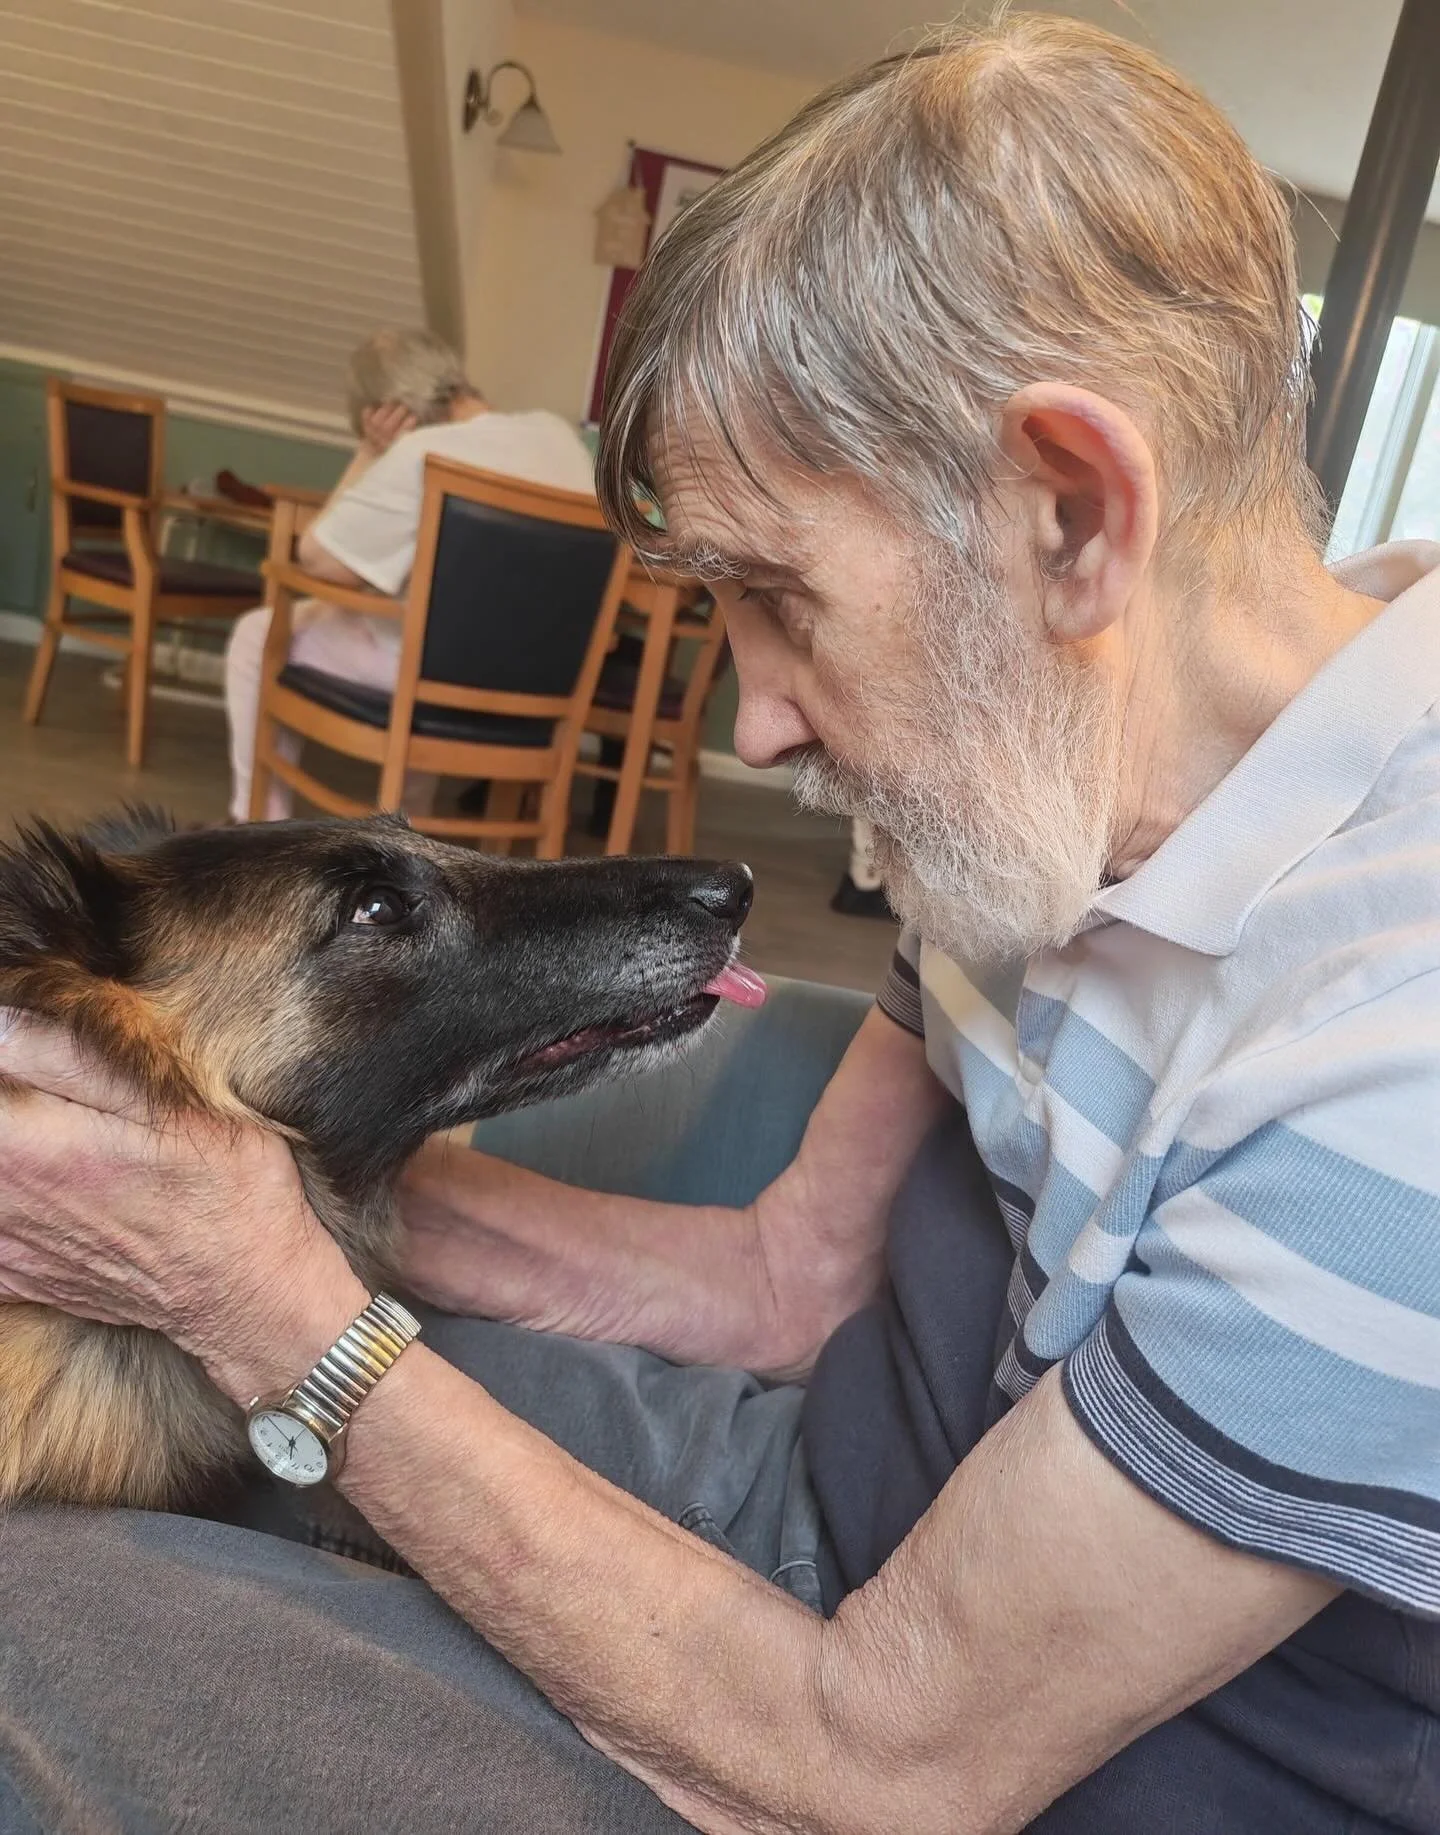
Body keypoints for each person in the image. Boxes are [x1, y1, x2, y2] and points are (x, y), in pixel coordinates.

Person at [1, 17, 1437, 1833]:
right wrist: (225, 1203)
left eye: (777, 595)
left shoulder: (1401, 1072)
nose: (749, 724)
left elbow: (892, 1762)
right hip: (822, 1479)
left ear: (1073, 514)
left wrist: (263, 1303)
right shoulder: (1046, 790)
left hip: (918, 1745)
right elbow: (787, 1282)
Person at [223, 326, 595, 821]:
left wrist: (370, 452)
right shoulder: (559, 437)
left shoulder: (421, 452)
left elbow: (315, 558)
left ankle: (258, 822)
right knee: (434, 620)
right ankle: (411, 819)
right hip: (544, 686)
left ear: (387, 408)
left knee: (257, 633)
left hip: (425, 676)